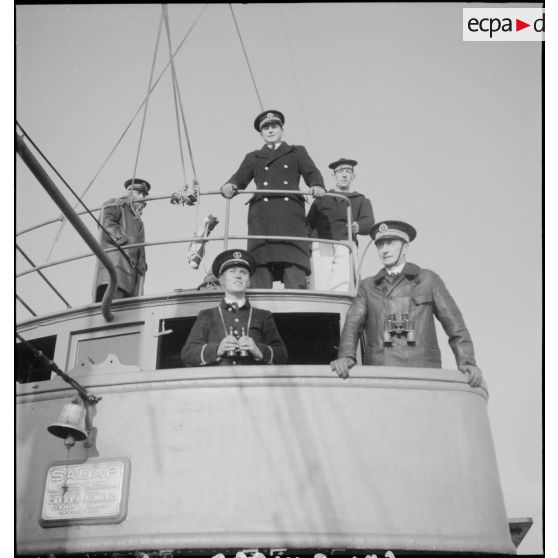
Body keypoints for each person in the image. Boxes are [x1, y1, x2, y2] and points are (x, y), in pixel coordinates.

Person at [330, 220, 483, 387]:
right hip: (381, 372)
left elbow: (454, 323)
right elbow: (352, 325)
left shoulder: (428, 280)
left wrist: (467, 362)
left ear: (405, 247)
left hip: (424, 370)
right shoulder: (368, 286)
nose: (385, 250)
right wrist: (346, 356)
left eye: (390, 243)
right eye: (380, 245)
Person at [220, 110, 326, 289]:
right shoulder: (253, 157)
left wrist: (317, 185)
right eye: (266, 128)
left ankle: (299, 312)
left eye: (274, 126)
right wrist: (230, 185)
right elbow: (240, 178)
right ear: (261, 134)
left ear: (282, 130)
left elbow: (312, 172)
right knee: (261, 269)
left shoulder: (297, 152)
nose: (270, 130)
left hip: (290, 219)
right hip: (263, 219)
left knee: (294, 268)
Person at [181, 249, 288, 367]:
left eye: (243, 272)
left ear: (249, 282)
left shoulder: (263, 316)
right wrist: (217, 349)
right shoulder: (206, 315)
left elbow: (282, 355)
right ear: (222, 280)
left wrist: (258, 350)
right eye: (232, 271)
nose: (238, 276)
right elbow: (187, 353)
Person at [307, 158, 375, 291]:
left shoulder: (361, 200)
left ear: (353, 175)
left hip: (345, 242)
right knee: (320, 282)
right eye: (340, 171)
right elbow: (309, 223)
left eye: (348, 172)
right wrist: (306, 249)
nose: (344, 175)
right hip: (322, 242)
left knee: (343, 283)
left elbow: (369, 221)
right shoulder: (322, 198)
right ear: (334, 175)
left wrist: (358, 225)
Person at [92, 178, 149, 302]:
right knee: (113, 306)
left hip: (132, 276)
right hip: (116, 268)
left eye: (144, 194)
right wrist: (122, 241)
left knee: (125, 310)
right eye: (139, 193)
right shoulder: (116, 204)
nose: (143, 198)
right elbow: (105, 222)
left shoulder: (138, 221)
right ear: (129, 192)